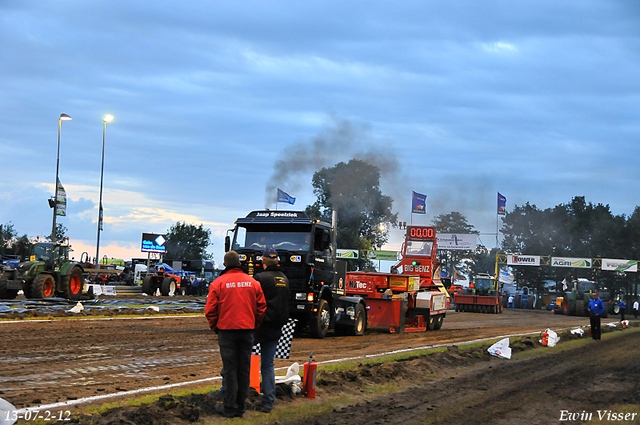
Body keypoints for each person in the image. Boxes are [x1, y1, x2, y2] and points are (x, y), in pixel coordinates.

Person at [205, 251, 266, 418]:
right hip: (247, 330)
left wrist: (216, 327)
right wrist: (254, 325)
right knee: (244, 369)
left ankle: (230, 407)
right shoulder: (253, 283)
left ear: (225, 264)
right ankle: (241, 407)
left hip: (227, 331)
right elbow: (261, 307)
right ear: (239, 263)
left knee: (230, 369)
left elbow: (210, 310)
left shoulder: (218, 283)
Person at [253, 248, 290, 413]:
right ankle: (268, 402)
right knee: (268, 365)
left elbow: (253, 302)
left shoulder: (260, 278)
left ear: (263, 261)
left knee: (243, 359)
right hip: (276, 327)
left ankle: (236, 397)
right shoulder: (284, 279)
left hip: (259, 326)